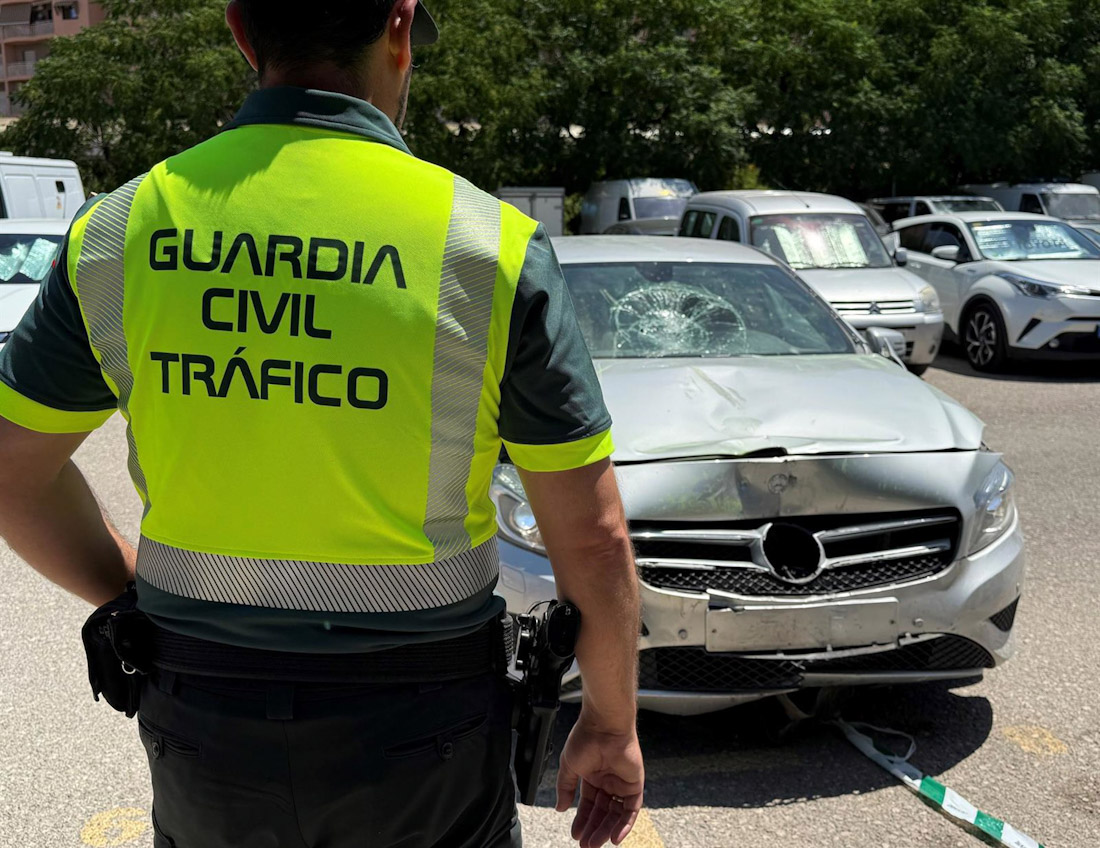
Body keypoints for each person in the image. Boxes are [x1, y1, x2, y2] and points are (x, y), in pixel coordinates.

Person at [0, 2, 644, 846]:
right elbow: (591, 539)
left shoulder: (120, 232)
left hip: (203, 716)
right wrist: (610, 723)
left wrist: (127, 585)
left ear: (241, 31)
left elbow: (12, 472)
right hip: (423, 726)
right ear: (400, 29)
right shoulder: (489, 246)